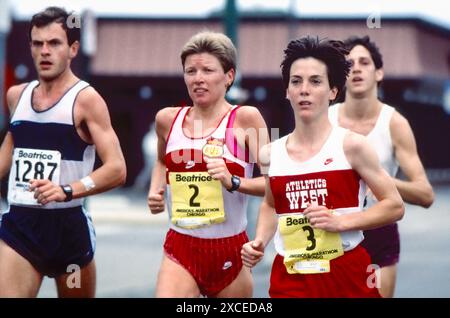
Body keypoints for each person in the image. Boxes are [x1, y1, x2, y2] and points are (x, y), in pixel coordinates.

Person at [241, 36, 405, 298]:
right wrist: (260, 240)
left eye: (315, 81)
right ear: (287, 91)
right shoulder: (271, 153)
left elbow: (395, 206)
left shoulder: (352, 146)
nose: (304, 89)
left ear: (333, 92)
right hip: (290, 276)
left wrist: (341, 221)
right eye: (296, 81)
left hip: (346, 274)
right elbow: (272, 205)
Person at [0, 7, 126, 297]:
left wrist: (66, 190)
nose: (45, 51)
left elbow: (117, 169)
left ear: (73, 49)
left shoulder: (86, 100)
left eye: (54, 43)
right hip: (20, 226)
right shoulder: (17, 96)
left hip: (68, 231)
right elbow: (10, 146)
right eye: (37, 43)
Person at [147, 31, 269, 298]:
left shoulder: (246, 119)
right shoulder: (167, 120)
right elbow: (160, 160)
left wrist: (234, 181)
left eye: (208, 70)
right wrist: (156, 189)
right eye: (190, 71)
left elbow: (276, 183)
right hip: (181, 248)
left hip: (230, 251)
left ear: (229, 76)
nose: (198, 78)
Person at [328, 35, 434, 298]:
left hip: (378, 229)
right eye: (349, 63)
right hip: (330, 229)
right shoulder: (325, 118)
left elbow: (425, 194)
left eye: (364, 62)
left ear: (379, 73)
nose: (356, 69)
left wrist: (378, 178)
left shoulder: (394, 123)